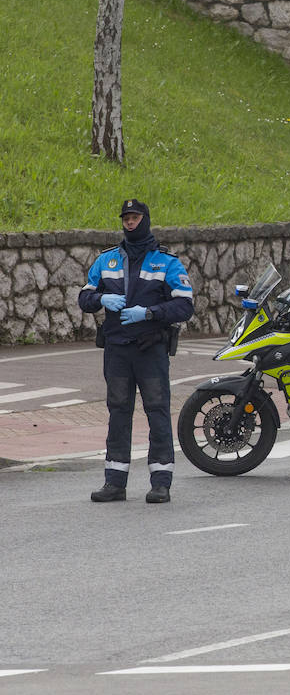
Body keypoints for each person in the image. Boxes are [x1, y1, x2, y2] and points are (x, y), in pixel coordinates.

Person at [77, 199, 194, 504]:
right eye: (126, 218)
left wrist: (150, 313)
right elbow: (84, 297)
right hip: (117, 350)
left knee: (156, 412)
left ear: (145, 219)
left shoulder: (166, 262)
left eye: (135, 217)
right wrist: (102, 298)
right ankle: (114, 482)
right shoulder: (107, 260)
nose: (130, 222)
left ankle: (161, 482)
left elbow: (184, 305)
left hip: (150, 350)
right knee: (118, 413)